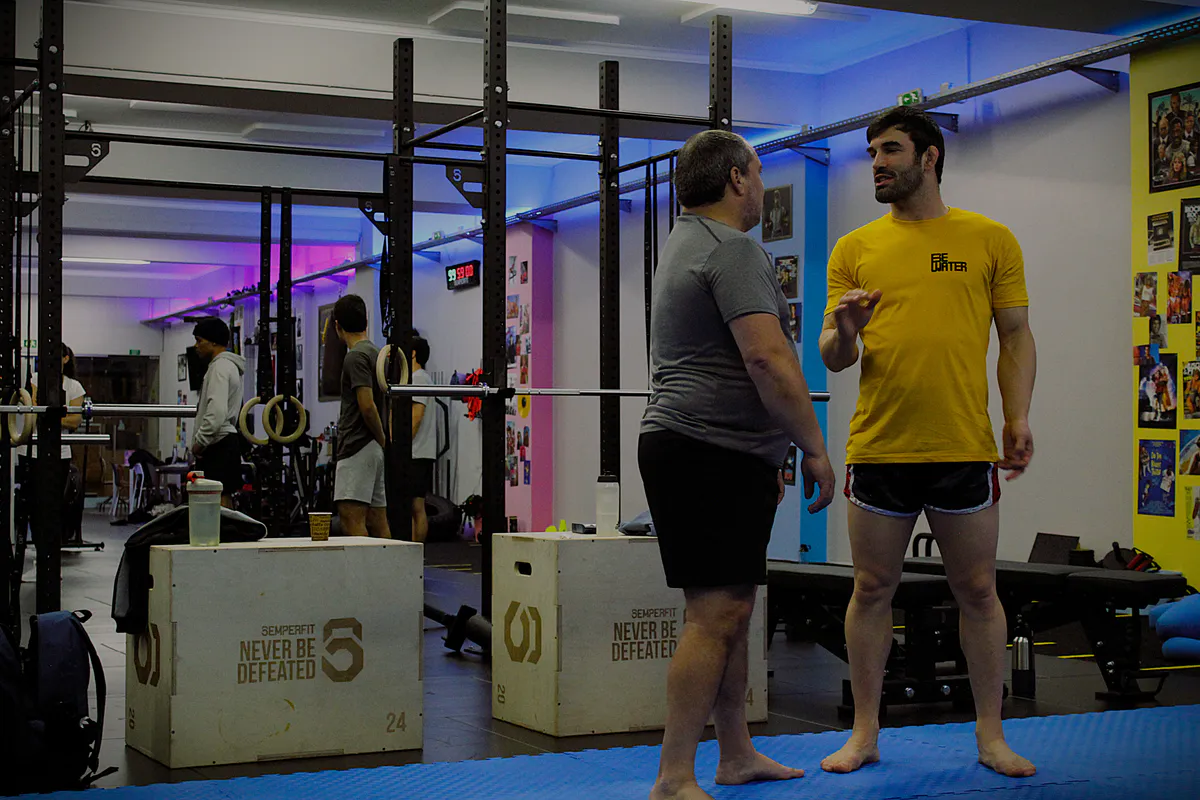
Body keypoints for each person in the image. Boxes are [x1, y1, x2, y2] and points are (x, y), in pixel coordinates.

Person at [818, 106, 1037, 778]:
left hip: (963, 446)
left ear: (930, 156)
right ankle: (864, 732)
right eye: (872, 153)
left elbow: (1016, 335)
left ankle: (991, 734)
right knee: (871, 587)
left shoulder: (990, 238)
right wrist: (848, 329)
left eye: (889, 150)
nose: (877, 163)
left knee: (976, 590)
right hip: (881, 448)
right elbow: (831, 356)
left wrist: (1017, 416)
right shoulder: (854, 248)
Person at [638, 128, 835, 800]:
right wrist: (812, 445)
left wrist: (771, 451)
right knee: (714, 615)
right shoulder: (734, 249)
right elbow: (768, 360)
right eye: (758, 169)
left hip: (713, 450)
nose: (761, 181)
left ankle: (735, 755)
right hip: (705, 451)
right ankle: (672, 776)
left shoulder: (686, 241)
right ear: (735, 178)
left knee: (732, 610)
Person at [333, 294, 390, 538]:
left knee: (350, 518)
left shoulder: (355, 356)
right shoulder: (377, 353)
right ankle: (390, 574)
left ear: (337, 326)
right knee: (377, 520)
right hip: (372, 449)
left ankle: (365, 576)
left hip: (357, 445)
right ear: (365, 320)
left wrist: (381, 437)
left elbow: (367, 406)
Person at [22, 344, 87, 541]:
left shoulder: (74, 387)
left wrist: (48, 417)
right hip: (32, 452)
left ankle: (52, 546)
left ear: (65, 359)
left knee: (55, 502)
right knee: (33, 501)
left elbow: (75, 421)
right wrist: (58, 417)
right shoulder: (34, 379)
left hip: (60, 453)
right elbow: (33, 408)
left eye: (55, 357)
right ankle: (39, 542)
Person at [191, 317, 247, 508]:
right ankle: (227, 537)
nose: (196, 346)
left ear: (213, 342)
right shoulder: (227, 366)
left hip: (218, 444)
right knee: (223, 500)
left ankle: (224, 537)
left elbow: (216, 413)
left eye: (199, 340)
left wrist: (199, 443)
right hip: (224, 442)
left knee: (217, 503)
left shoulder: (219, 368)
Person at [408, 335, 436, 543]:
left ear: (413, 353)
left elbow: (415, 418)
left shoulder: (418, 378)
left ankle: (414, 554)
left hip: (416, 453)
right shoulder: (421, 378)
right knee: (413, 506)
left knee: (415, 507)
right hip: (419, 453)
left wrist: (397, 447)